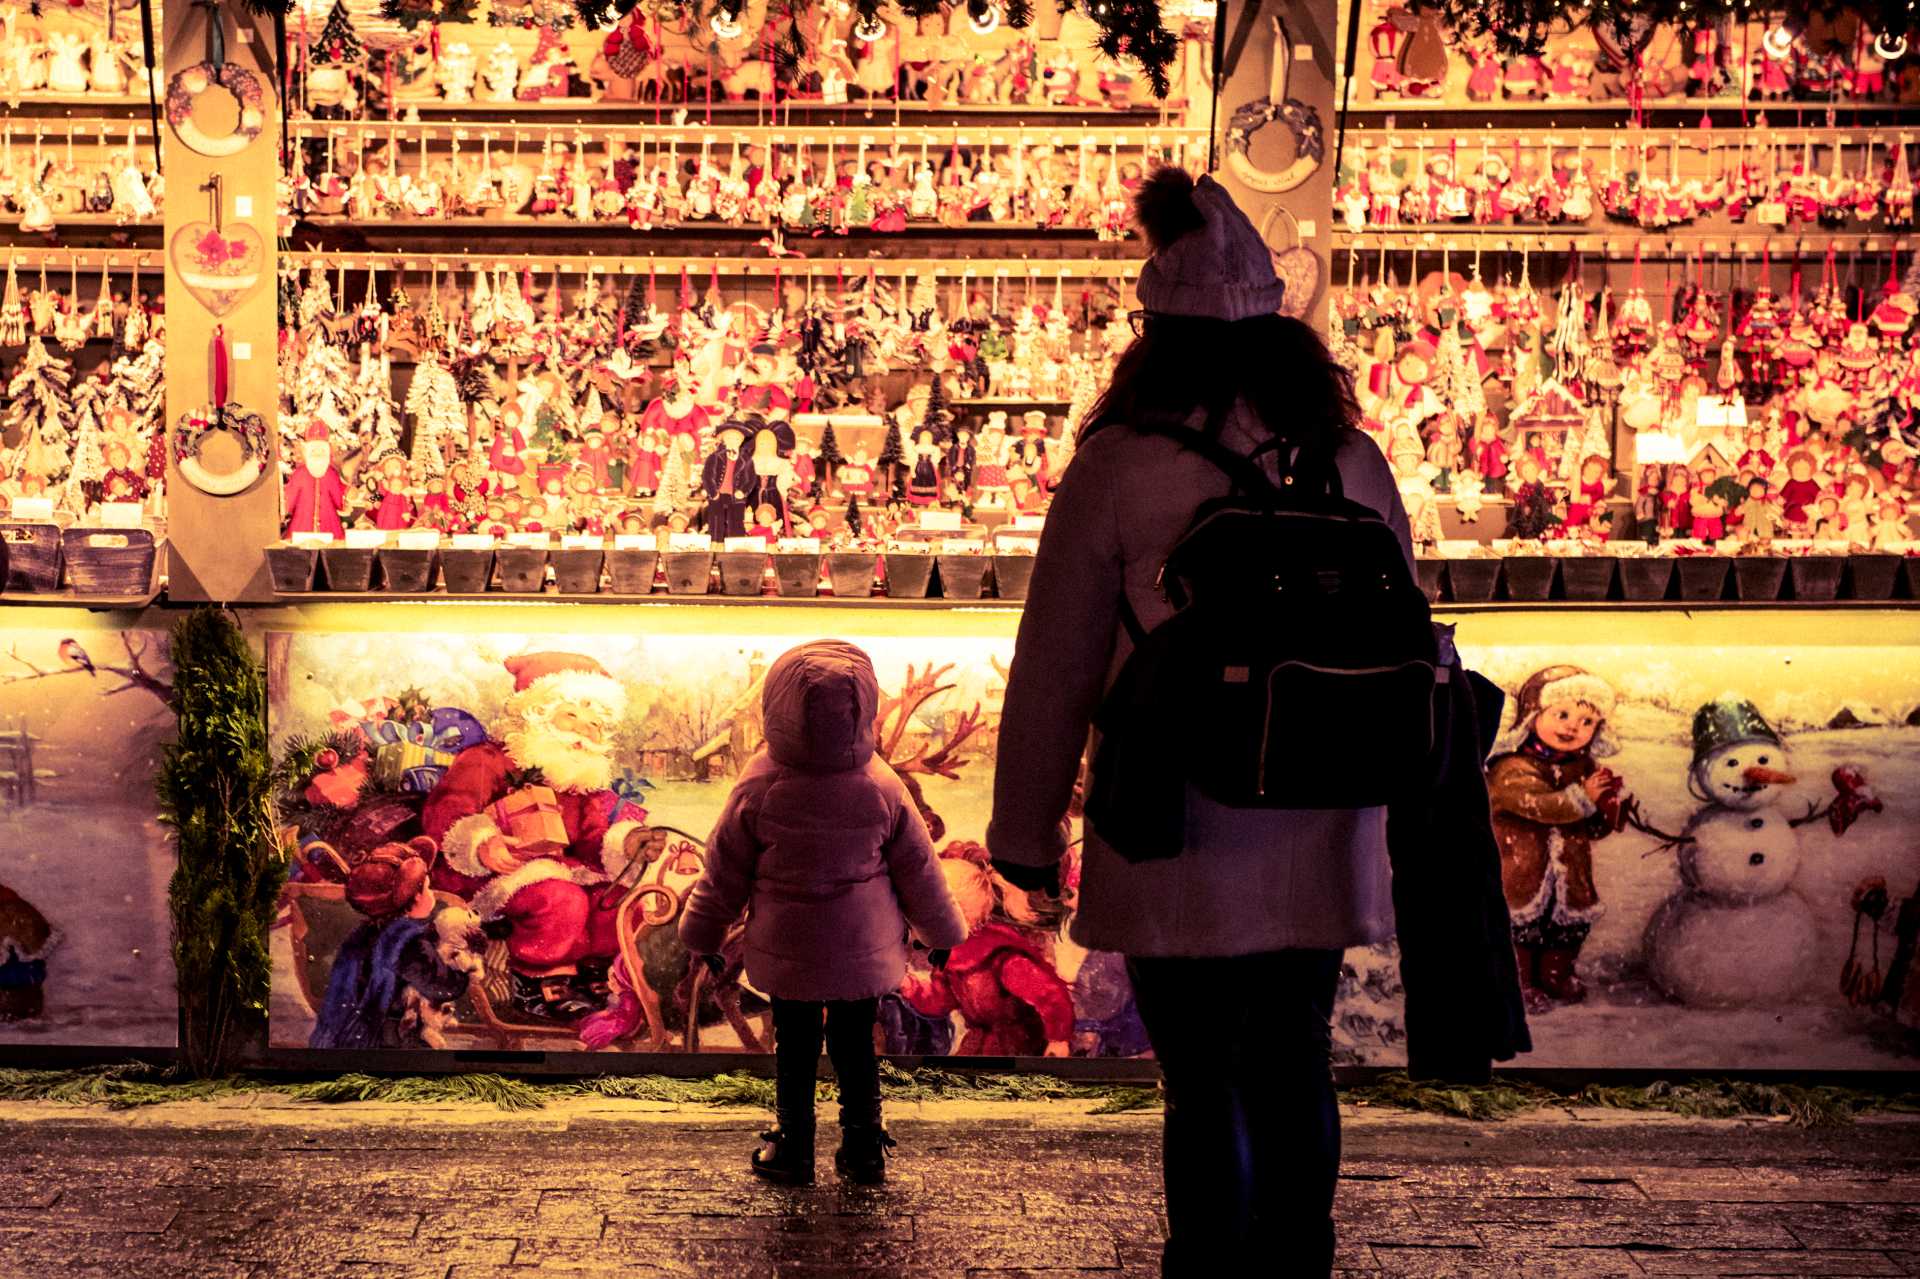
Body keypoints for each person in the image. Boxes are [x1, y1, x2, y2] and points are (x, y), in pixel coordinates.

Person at [986, 168, 1432, 1277]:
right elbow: (1414, 631)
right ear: (1281, 335)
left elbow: (1055, 668)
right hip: (1325, 808)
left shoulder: (1118, 470)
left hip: (1175, 813)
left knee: (1202, 1077)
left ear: (1154, 340)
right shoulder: (1351, 460)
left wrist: (1022, 839)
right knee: (1294, 1059)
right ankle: (1300, 1261)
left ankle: (1209, 1267)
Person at [679, 640, 967, 1187]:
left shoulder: (759, 784)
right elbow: (919, 869)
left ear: (778, 708)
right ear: (865, 708)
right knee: (856, 1044)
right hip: (864, 949)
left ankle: (793, 1145)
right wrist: (939, 933)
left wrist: (704, 933)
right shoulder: (882, 784)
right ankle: (863, 1146)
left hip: (788, 951)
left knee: (796, 1045)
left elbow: (724, 870)